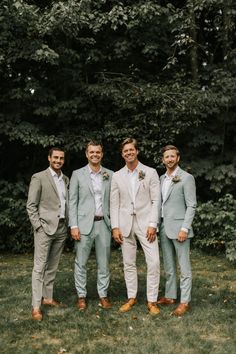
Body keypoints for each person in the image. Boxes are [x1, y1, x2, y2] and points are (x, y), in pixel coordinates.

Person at [110, 138, 161, 315]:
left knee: (153, 262)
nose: (129, 153)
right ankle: (131, 297)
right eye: (125, 151)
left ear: (137, 151)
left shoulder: (150, 172)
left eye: (131, 150)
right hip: (125, 225)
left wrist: (153, 224)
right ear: (122, 154)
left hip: (146, 225)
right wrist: (115, 227)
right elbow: (114, 203)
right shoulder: (117, 176)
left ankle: (152, 300)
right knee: (128, 263)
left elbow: (156, 201)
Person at [69, 141, 113, 310]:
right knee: (81, 262)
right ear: (86, 154)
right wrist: (73, 225)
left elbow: (114, 201)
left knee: (104, 262)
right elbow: (72, 202)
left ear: (102, 154)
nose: (95, 155)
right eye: (92, 152)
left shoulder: (110, 174)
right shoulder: (77, 174)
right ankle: (81, 296)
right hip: (83, 225)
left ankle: (103, 295)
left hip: (104, 224)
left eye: (98, 152)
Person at [27, 147, 69, 321]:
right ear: (49, 158)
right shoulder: (39, 177)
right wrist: (38, 227)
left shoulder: (65, 179)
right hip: (45, 229)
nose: (58, 160)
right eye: (55, 157)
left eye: (61, 158)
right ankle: (36, 306)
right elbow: (31, 205)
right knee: (39, 267)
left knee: (52, 265)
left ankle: (48, 298)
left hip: (61, 228)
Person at [157, 145, 197, 316]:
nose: (170, 159)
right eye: (167, 157)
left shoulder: (186, 178)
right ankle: (170, 296)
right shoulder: (161, 178)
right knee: (169, 265)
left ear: (178, 158)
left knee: (184, 266)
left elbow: (192, 205)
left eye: (173, 156)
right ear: (163, 160)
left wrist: (184, 228)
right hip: (164, 226)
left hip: (180, 229)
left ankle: (184, 301)